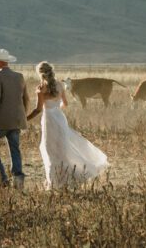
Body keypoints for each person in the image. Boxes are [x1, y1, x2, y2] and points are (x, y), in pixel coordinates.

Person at [26, 60, 109, 189]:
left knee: (50, 150)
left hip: (49, 120)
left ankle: (54, 182)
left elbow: (38, 109)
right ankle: (67, 179)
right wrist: (56, 108)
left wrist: (25, 119)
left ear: (40, 74)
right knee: (63, 149)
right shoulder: (60, 85)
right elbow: (65, 103)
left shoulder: (41, 88)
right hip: (59, 118)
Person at [0, 48, 29, 190]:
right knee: (15, 149)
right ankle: (18, 183)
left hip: (1, 121)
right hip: (17, 120)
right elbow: (25, 98)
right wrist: (23, 116)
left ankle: (1, 179)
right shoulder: (20, 76)